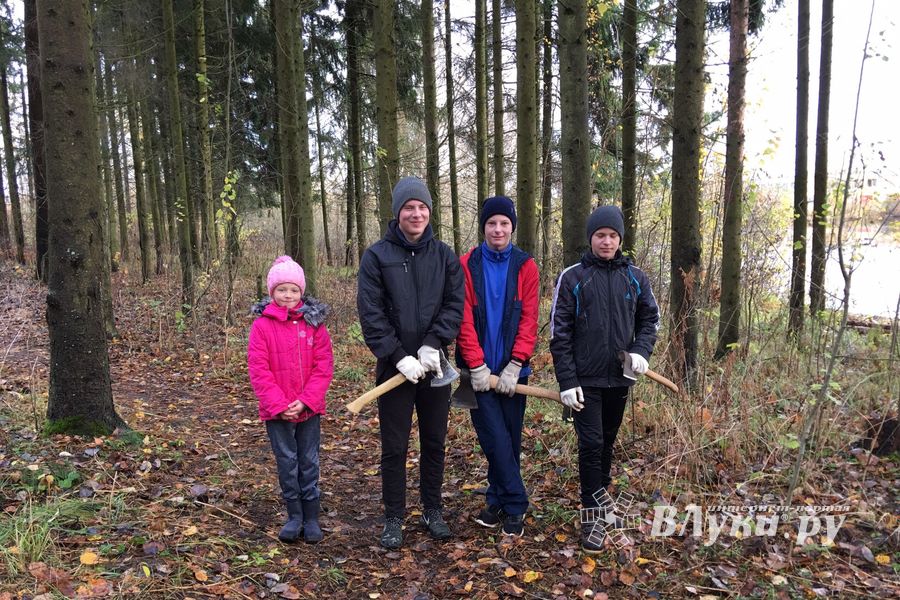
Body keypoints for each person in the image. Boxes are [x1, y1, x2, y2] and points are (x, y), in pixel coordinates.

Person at [357, 176, 465, 549]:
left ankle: (432, 510)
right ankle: (393, 516)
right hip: (395, 369)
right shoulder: (376, 257)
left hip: (434, 367)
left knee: (434, 442)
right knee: (394, 446)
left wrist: (434, 343)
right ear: (397, 213)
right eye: (408, 208)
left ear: (429, 211)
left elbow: (455, 303)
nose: (416, 214)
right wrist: (398, 356)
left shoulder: (445, 256)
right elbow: (371, 312)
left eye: (422, 207)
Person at [549, 205, 659, 553]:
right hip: (585, 381)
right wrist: (567, 381)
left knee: (607, 442)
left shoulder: (635, 277)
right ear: (591, 238)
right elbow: (559, 333)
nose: (607, 241)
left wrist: (641, 351)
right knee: (591, 444)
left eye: (612, 235)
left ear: (620, 239)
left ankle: (601, 497)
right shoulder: (573, 277)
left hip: (620, 378)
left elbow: (650, 319)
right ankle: (592, 516)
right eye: (600, 235)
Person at [456, 196, 540, 537]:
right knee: (493, 437)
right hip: (477, 374)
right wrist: (476, 365)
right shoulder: (466, 264)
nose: (498, 229)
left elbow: (529, 318)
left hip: (514, 373)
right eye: (492, 223)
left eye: (504, 223)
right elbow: (462, 318)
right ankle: (516, 504)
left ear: (512, 227)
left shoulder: (526, 266)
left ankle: (496, 499)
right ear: (484, 227)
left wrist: (516, 363)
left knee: (509, 438)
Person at [248, 255, 334, 543]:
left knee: (309, 460)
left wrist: (307, 400)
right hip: (277, 411)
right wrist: (279, 404)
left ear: (302, 292)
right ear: (272, 291)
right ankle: (294, 515)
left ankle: (311, 517)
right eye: (282, 289)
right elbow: (258, 369)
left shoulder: (314, 324)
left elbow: (324, 366)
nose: (288, 295)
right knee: (287, 461)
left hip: (309, 409)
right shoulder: (262, 326)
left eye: (294, 290)